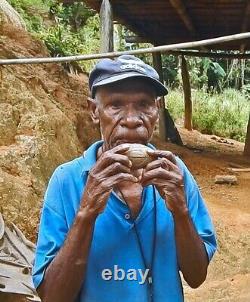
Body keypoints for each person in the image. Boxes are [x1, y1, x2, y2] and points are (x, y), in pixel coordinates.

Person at [32, 55, 217, 302]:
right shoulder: (67, 180)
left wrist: (181, 212)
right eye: (115, 105)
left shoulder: (174, 172)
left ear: (157, 110)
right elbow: (52, 297)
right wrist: (86, 212)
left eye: (143, 104)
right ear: (94, 111)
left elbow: (196, 277)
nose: (131, 121)